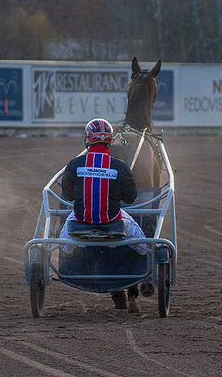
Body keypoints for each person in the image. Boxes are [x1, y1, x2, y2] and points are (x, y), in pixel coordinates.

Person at [58, 118, 148, 314]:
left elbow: (68, 195)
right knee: (144, 247)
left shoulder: (74, 165)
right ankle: (143, 279)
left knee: (61, 247)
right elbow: (131, 198)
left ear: (87, 140)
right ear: (109, 140)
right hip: (113, 220)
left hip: (79, 221)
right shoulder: (120, 166)